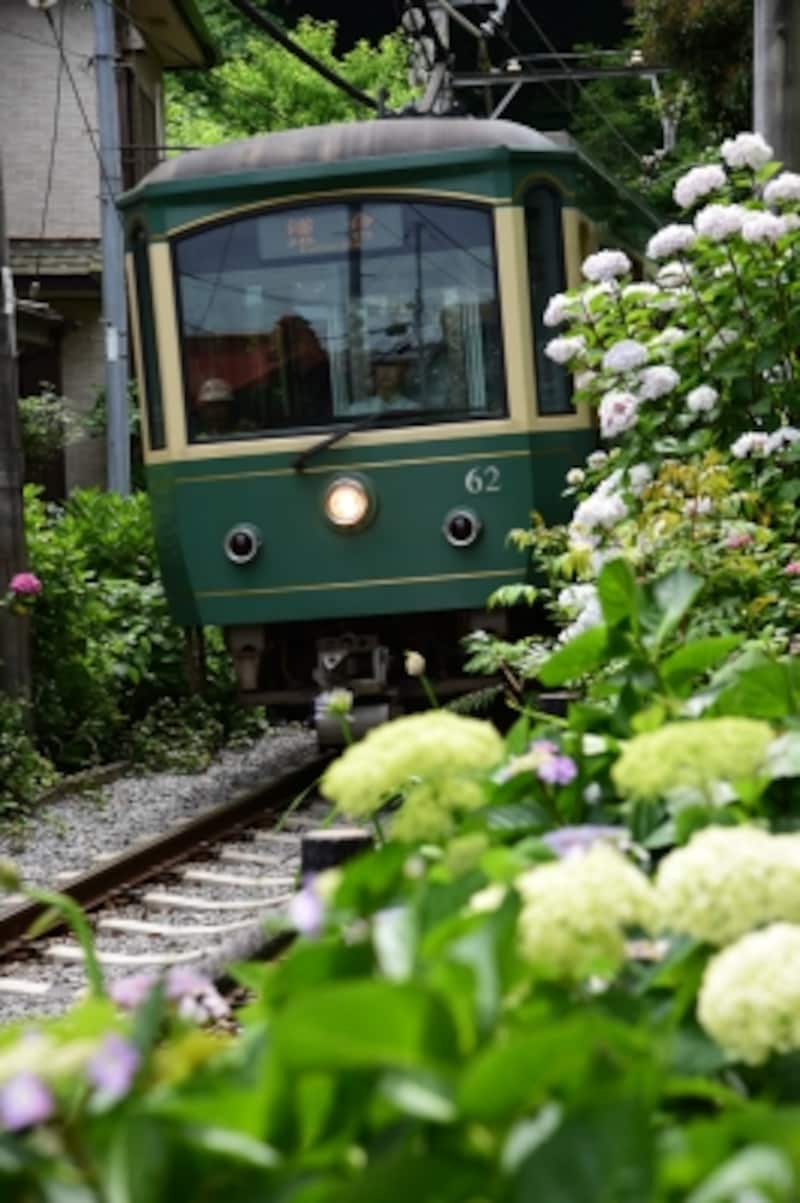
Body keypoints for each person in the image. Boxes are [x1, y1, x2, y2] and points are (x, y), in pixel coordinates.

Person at [348, 355, 420, 416]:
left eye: (391, 365)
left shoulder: (414, 410)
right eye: (381, 365)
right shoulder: (357, 412)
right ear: (374, 371)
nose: (386, 371)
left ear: (400, 371)